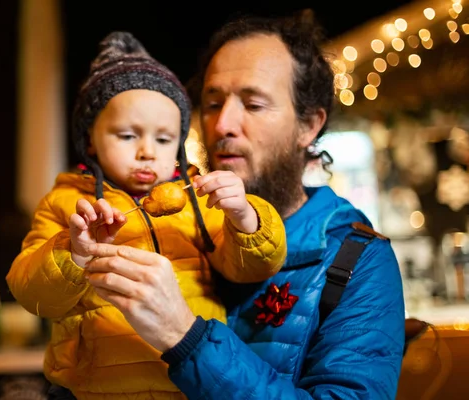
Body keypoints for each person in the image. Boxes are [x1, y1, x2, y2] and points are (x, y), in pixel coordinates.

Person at [83, 12, 406, 399]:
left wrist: (184, 336)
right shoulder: (174, 233)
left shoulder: (356, 260)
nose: (222, 125)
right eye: (212, 103)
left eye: (253, 105)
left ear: (309, 125)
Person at [6, 31, 287, 399]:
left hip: (190, 382)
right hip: (98, 390)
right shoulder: (66, 203)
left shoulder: (200, 203)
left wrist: (245, 216)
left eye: (164, 139)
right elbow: (32, 296)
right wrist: (72, 253)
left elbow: (253, 268)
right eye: (127, 136)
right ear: (90, 139)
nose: (146, 152)